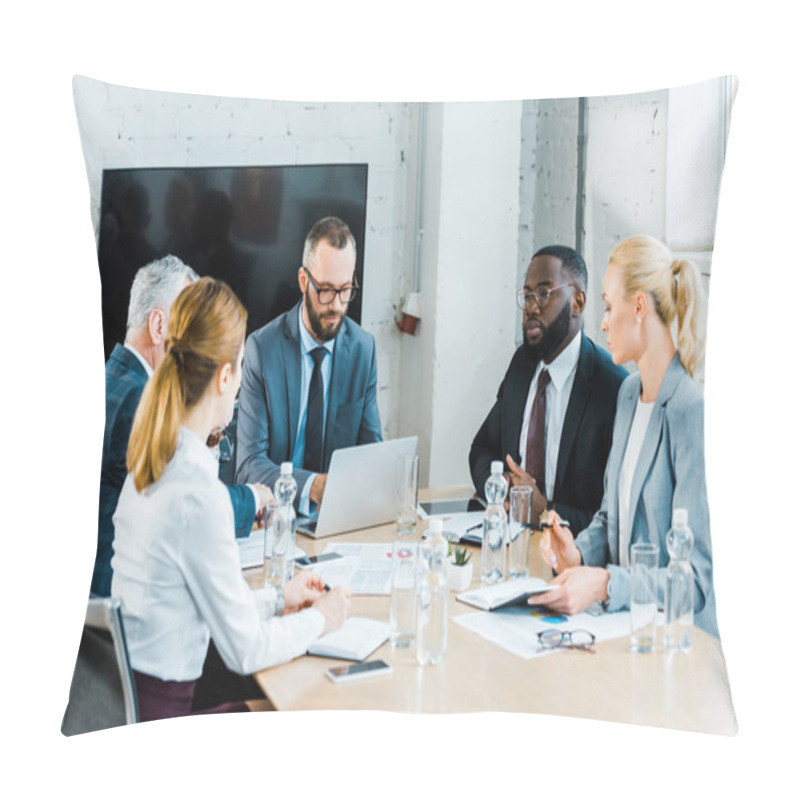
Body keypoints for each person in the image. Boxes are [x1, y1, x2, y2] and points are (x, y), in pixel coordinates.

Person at [111, 277, 350, 722]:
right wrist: (325, 617)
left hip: (129, 706)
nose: (241, 383)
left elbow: (211, 603)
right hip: (163, 722)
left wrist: (281, 598)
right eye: (240, 367)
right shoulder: (198, 495)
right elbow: (246, 650)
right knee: (311, 711)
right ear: (224, 377)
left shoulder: (152, 463)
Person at [537, 235, 718, 637]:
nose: (601, 322)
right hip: (625, 630)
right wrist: (578, 551)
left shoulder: (691, 410)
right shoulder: (626, 395)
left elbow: (697, 582)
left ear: (639, 307)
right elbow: (610, 516)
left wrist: (603, 583)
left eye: (608, 304)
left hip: (679, 645)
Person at [93, 255, 267, 598]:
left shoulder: (109, 380)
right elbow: (191, 502)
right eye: (187, 328)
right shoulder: (141, 402)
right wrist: (253, 498)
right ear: (159, 327)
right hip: (117, 605)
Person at [469, 245, 627, 532]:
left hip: (571, 562)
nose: (531, 307)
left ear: (578, 302)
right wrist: (501, 487)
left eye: (544, 293)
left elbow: (613, 519)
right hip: (510, 544)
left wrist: (545, 512)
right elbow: (481, 449)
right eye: (527, 295)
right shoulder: (522, 365)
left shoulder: (612, 387)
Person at [236, 216, 382, 514]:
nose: (337, 305)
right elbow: (249, 465)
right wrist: (313, 486)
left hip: (336, 520)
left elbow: (371, 457)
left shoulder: (362, 350)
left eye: (345, 290)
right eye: (326, 290)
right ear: (304, 281)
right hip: (276, 518)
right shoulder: (262, 351)